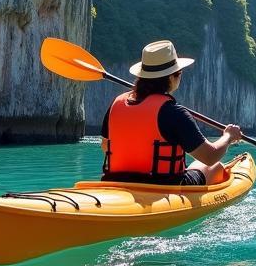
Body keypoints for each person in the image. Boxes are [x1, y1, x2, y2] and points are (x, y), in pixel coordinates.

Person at [101, 40, 243, 186]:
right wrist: (228, 136)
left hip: (115, 182)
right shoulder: (174, 112)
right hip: (165, 186)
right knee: (214, 167)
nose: (180, 76)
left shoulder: (116, 104)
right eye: (179, 73)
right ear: (171, 77)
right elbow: (210, 156)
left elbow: (105, 146)